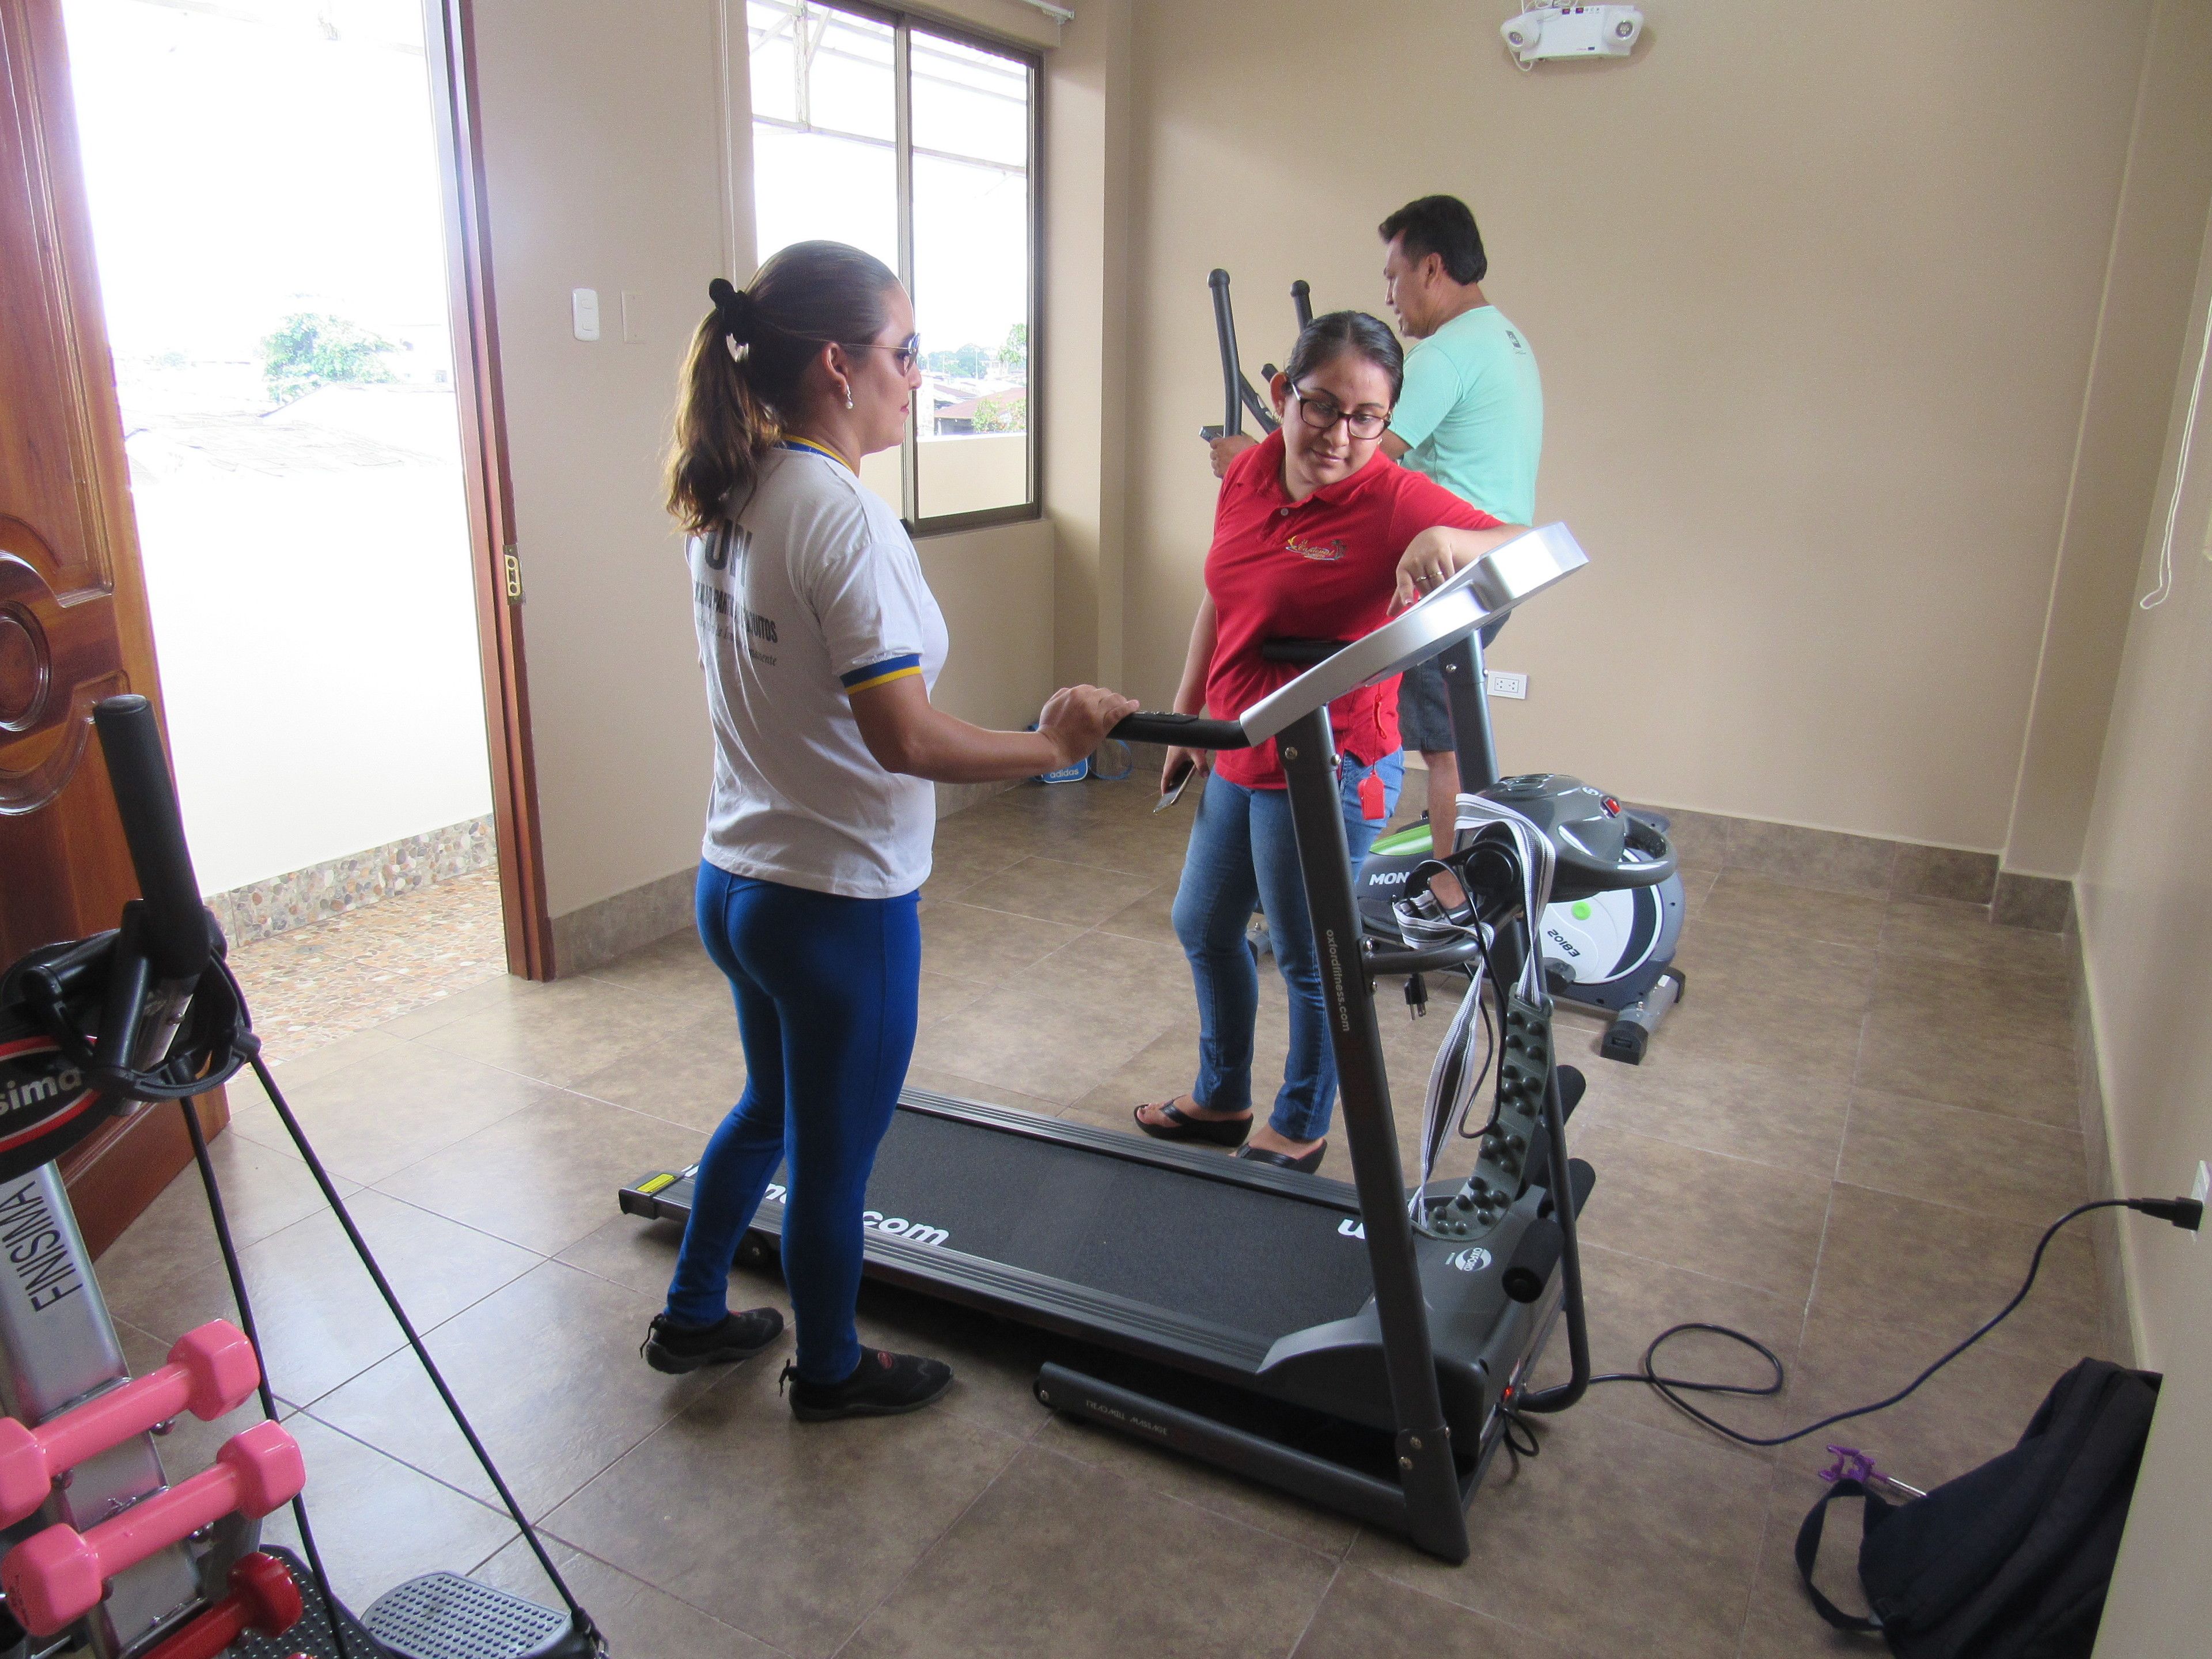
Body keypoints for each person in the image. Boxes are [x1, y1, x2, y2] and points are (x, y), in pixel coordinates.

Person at [642, 241, 1135, 1419]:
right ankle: (830, 1369)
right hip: (832, 905)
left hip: (737, 879)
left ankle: (695, 1314)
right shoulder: (841, 519)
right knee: (834, 1159)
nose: (919, 376)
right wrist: (1053, 750)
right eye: (906, 353)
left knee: (770, 1109)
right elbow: (904, 740)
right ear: (838, 363)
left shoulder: (734, 488)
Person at [1138, 312, 1527, 1173]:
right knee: (1203, 925)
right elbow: (1220, 597)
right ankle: (1222, 1097)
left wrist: (1449, 536)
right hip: (1238, 739)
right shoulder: (1244, 473)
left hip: (1331, 759)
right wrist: (1184, 715)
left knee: (1312, 958)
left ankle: (1302, 1124)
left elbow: (1526, 545)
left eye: (1367, 417)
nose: (1342, 435)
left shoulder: (1392, 496)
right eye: (1321, 407)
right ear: (1284, 395)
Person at [1209, 198, 1543, 892]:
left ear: (1432, 266)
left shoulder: (1444, 355)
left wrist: (1263, 451)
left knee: (1430, 737)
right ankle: (1444, 875)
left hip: (1438, 561)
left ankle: (1450, 886)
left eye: (1394, 277)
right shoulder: (1503, 336)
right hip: (1473, 560)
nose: (1390, 296)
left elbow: (1359, 455)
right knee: (1444, 732)